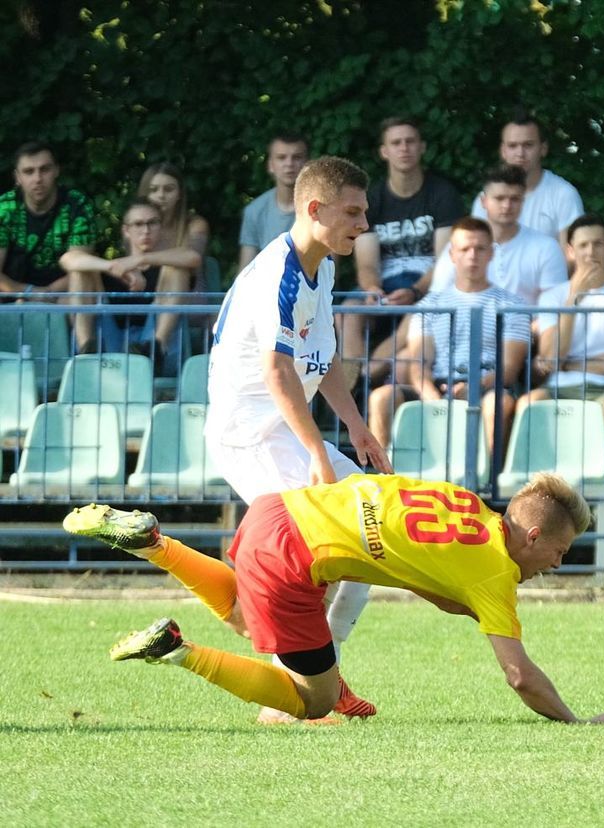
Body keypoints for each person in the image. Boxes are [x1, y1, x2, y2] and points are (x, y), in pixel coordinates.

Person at [62, 472, 604, 725]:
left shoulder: (466, 502)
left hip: (276, 510)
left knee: (245, 614)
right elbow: (519, 675)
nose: (556, 566)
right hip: (296, 557)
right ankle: (176, 649)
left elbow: (426, 576)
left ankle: (153, 541)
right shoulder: (493, 572)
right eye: (561, 553)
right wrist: (576, 721)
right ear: (535, 537)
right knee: (314, 702)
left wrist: (465, 603)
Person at [206, 155, 392, 723]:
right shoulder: (277, 274)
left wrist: (356, 426)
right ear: (314, 210)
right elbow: (278, 373)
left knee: (371, 529)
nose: (364, 223)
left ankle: (322, 676)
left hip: (284, 433)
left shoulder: (323, 266)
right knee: (318, 550)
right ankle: (294, 693)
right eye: (353, 212)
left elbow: (322, 357)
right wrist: (317, 453)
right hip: (252, 439)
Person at [368, 217, 530, 458]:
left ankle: (486, 486)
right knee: (381, 397)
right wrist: (432, 396)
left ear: (491, 253)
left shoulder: (512, 305)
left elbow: (509, 368)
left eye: (480, 248)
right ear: (452, 254)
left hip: (488, 387)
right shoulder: (429, 305)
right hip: (438, 384)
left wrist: (474, 386)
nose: (472, 255)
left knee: (498, 404)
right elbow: (419, 363)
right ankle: (382, 479)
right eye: (465, 249)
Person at [342, 116, 464, 388]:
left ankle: (365, 379)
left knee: (420, 311)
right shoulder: (371, 199)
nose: (404, 148)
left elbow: (446, 260)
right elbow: (365, 262)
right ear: (384, 151)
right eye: (396, 143)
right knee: (348, 311)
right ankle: (348, 386)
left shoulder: (442, 194)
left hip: (428, 284)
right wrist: (372, 288)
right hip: (385, 283)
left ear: (422, 147)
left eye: (410, 141)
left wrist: (417, 291)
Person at [527, 214, 604, 479]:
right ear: (570, 251)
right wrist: (573, 300)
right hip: (559, 388)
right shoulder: (553, 297)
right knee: (526, 404)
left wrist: (571, 363)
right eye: (582, 245)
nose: (590, 252)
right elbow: (550, 359)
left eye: (598, 244)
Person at [59, 198, 192, 359]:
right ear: (126, 231)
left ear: (161, 227)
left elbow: (192, 257)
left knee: (176, 269)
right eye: (138, 224)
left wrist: (141, 259)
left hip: (153, 340)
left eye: (152, 223)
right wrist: (111, 267)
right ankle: (85, 350)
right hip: (110, 343)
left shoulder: (167, 267)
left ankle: (156, 349)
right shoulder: (112, 266)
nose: (146, 230)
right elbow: (68, 259)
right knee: (82, 271)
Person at [429, 165, 567, 304]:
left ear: (523, 201)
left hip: (526, 325)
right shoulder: (460, 247)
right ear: (483, 201)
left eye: (514, 199)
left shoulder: (546, 248)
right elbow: (435, 301)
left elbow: (553, 310)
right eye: (499, 198)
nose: (507, 206)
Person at [0, 142, 95, 298]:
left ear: (56, 170)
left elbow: (82, 267)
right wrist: (29, 292)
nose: (38, 178)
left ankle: (80, 324)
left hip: (63, 295)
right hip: (11, 296)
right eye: (29, 172)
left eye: (44, 169)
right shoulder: (3, 208)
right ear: (18, 177)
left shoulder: (77, 205)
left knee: (86, 275)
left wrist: (46, 294)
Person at [472, 113, 583, 242]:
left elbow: (572, 256)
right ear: (503, 151)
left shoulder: (563, 195)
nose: (520, 153)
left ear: (543, 148)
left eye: (528, 145)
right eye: (512, 146)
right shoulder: (486, 200)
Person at [238, 133, 310, 270]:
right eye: (281, 158)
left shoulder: (324, 208)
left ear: (307, 164)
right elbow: (245, 271)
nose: (289, 164)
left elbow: (330, 272)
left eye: (297, 157)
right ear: (271, 165)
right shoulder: (254, 211)